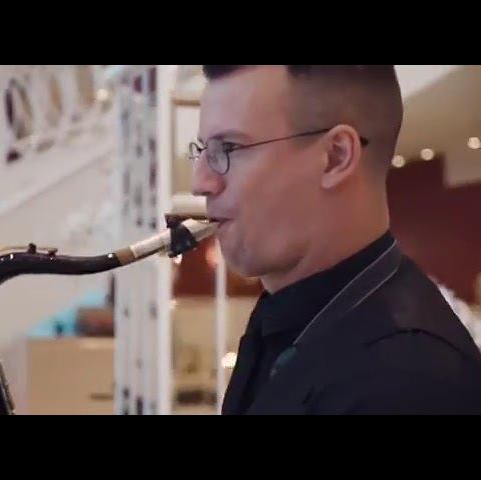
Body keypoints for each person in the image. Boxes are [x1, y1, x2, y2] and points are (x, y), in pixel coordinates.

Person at [190, 65, 481, 415]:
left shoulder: (410, 381)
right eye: (203, 150)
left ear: (336, 157)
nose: (200, 183)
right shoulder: (283, 312)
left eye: (229, 148)